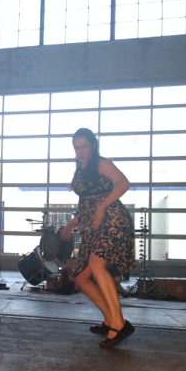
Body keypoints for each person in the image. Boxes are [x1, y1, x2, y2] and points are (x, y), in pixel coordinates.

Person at [60, 128, 136, 348]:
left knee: (96, 265)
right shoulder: (81, 169)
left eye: (84, 146)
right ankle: (110, 319)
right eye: (77, 148)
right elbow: (86, 203)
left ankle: (119, 324)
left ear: (93, 145)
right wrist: (71, 224)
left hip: (112, 222)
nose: (81, 152)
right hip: (92, 228)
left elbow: (124, 183)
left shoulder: (102, 163)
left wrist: (102, 208)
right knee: (81, 278)